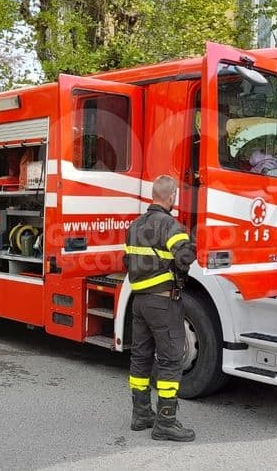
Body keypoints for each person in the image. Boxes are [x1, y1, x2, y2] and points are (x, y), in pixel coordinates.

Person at [124, 175, 197, 442]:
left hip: (139, 301)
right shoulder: (171, 226)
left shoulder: (134, 226)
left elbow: (126, 259)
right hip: (163, 302)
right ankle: (166, 421)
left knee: (141, 357)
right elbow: (186, 255)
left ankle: (141, 414)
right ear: (172, 197)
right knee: (170, 360)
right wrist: (179, 268)